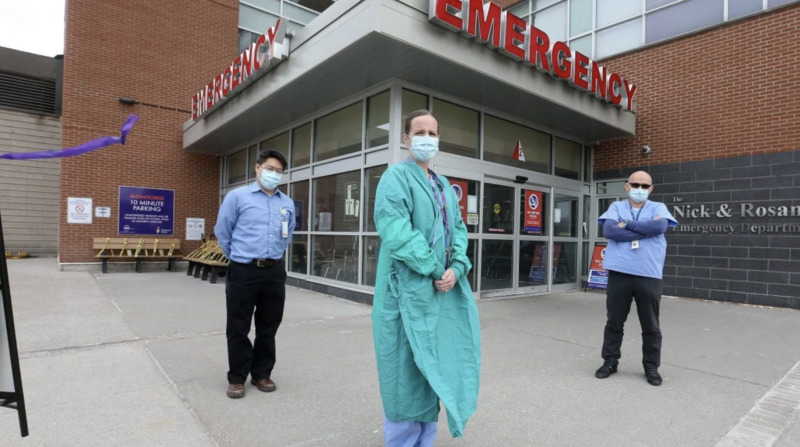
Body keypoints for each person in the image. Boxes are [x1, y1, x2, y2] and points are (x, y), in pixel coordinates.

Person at [372, 110, 481, 446]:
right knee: (404, 373)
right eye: (419, 132)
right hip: (405, 294)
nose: (426, 138)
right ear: (406, 139)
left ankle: (425, 441)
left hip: (440, 294)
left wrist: (458, 268)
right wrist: (436, 269)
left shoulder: (442, 184)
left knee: (436, 366)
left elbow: (459, 231)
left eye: (432, 133)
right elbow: (398, 233)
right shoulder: (395, 179)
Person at [214, 149, 295, 399]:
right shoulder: (237, 197)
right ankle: (237, 378)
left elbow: (288, 233)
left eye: (279, 171)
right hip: (243, 269)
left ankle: (262, 373)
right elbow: (223, 231)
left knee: (268, 325)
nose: (274, 174)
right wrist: (238, 257)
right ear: (257, 168)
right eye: (270, 169)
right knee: (238, 326)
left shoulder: (286, 202)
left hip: (274, 271)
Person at [595, 171, 677, 386]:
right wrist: (644, 230)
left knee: (650, 325)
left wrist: (627, 224)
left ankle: (651, 367)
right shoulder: (616, 207)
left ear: (651, 189)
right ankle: (610, 362)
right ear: (626, 186)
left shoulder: (658, 208)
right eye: (635, 184)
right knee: (614, 322)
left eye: (644, 185)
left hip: (649, 274)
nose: (639, 189)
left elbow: (660, 226)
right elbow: (611, 231)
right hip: (619, 273)